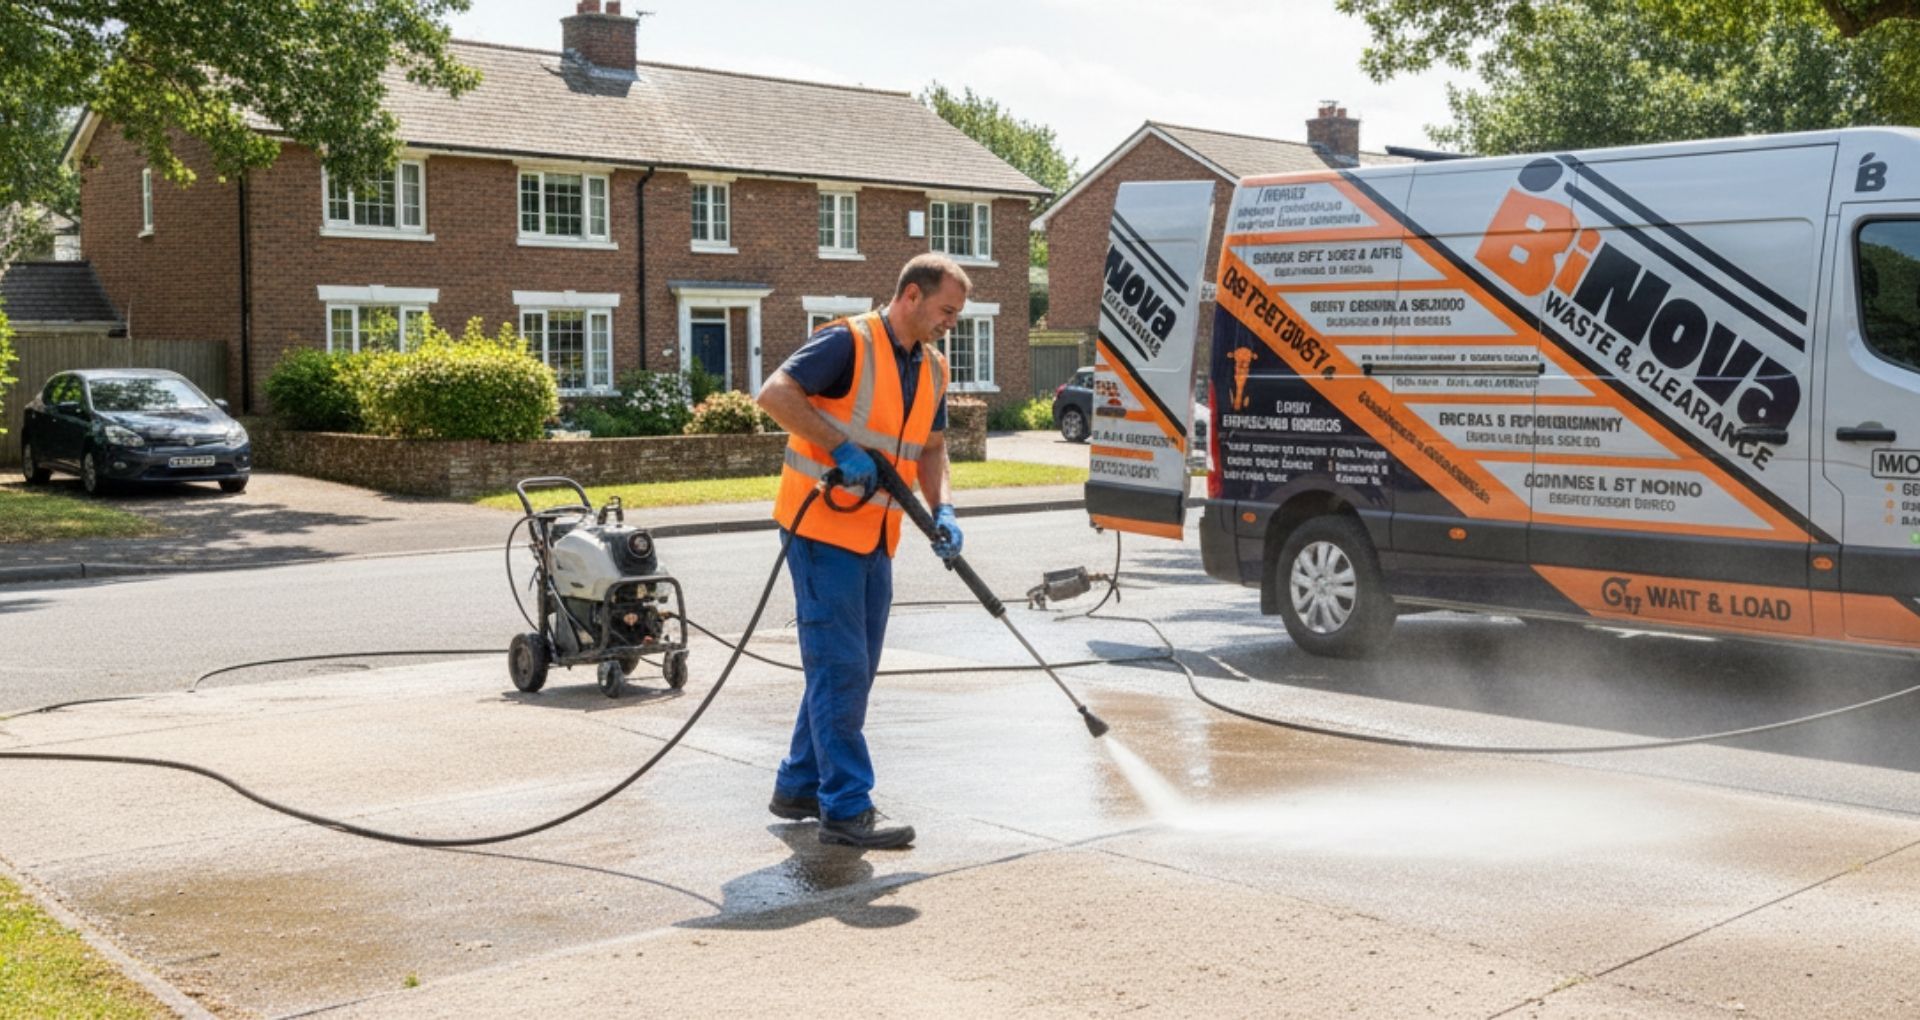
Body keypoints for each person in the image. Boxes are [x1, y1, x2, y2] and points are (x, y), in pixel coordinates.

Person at [754, 253, 969, 849]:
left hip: (878, 536)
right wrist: (840, 448)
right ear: (910, 296)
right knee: (841, 667)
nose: (950, 321)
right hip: (821, 530)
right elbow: (774, 394)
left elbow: (931, 448)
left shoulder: (933, 368)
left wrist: (944, 508)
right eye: (946, 310)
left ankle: (800, 784)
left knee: (851, 667)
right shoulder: (848, 342)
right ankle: (846, 806)